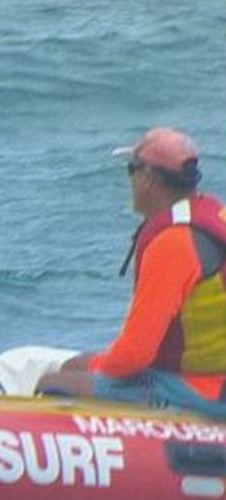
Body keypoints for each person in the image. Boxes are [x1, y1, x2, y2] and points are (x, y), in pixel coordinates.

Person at [36, 127, 226, 418]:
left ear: (148, 178)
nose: (131, 181)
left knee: (53, 384)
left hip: (206, 390)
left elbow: (134, 356)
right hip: (211, 377)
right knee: (74, 366)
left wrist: (100, 369)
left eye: (131, 170)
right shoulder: (214, 214)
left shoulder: (174, 241)